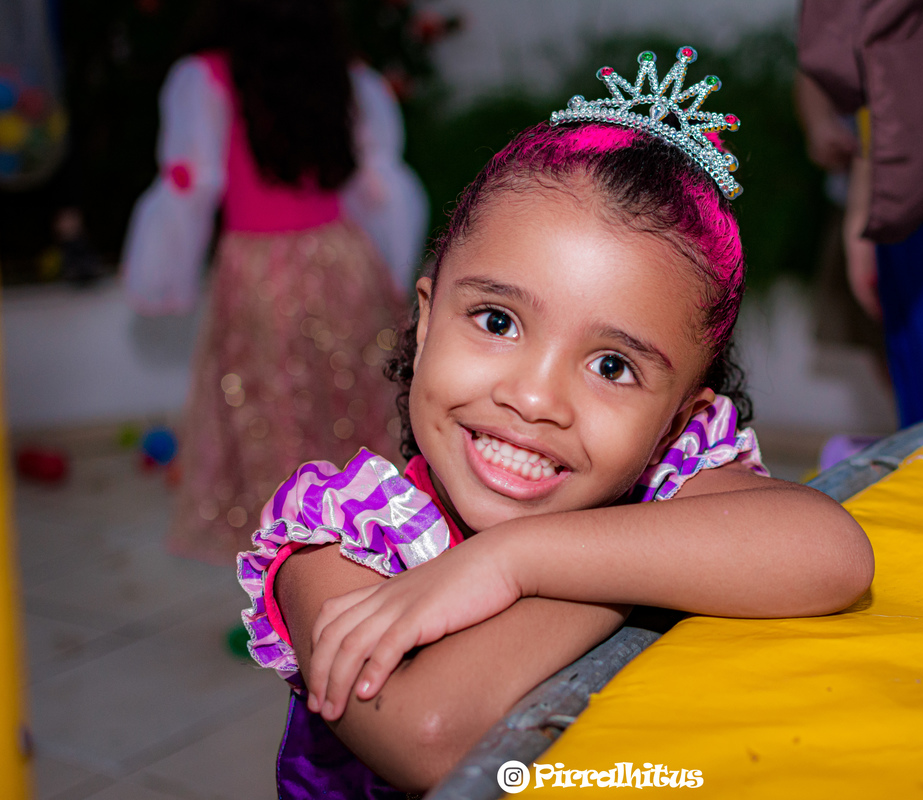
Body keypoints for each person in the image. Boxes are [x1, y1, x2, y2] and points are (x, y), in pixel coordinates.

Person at [238, 47, 875, 795]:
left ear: (679, 421)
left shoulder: (668, 473)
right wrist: (643, 569)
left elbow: (836, 552)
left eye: (613, 366)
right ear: (426, 317)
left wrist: (513, 560)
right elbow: (430, 733)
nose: (536, 399)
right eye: (497, 320)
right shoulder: (336, 544)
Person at [121, 0, 427, 563]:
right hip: (344, 266)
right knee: (357, 415)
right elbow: (378, 183)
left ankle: (288, 586)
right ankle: (375, 563)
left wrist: (163, 274)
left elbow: (191, 183)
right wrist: (389, 268)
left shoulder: (206, 78)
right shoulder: (346, 74)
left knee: (275, 426)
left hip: (259, 278)